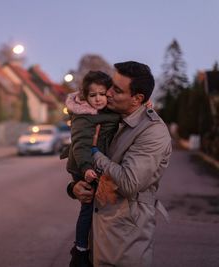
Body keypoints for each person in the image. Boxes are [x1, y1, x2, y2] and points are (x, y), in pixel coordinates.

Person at [69, 61, 172, 267]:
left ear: (137, 99)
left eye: (116, 90)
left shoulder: (152, 132)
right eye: (110, 85)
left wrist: (95, 154)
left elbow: (128, 182)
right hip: (93, 239)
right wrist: (74, 188)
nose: (107, 93)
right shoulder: (110, 117)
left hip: (122, 243)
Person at [61, 71, 120, 267]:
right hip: (82, 165)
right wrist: (86, 168)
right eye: (92, 95)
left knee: (97, 206)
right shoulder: (84, 117)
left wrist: (145, 105)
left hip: (92, 163)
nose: (98, 99)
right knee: (87, 207)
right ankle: (80, 247)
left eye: (102, 94)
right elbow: (80, 145)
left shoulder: (107, 111)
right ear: (85, 96)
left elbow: (120, 116)